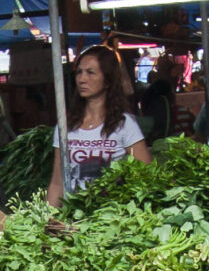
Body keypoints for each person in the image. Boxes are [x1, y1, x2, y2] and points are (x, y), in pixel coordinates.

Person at [46, 45, 150, 203]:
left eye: (90, 72)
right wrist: (47, 221)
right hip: (73, 216)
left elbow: (147, 173)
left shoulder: (124, 124)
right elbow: (57, 182)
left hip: (111, 216)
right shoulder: (66, 125)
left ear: (107, 80)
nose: (82, 79)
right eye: (79, 72)